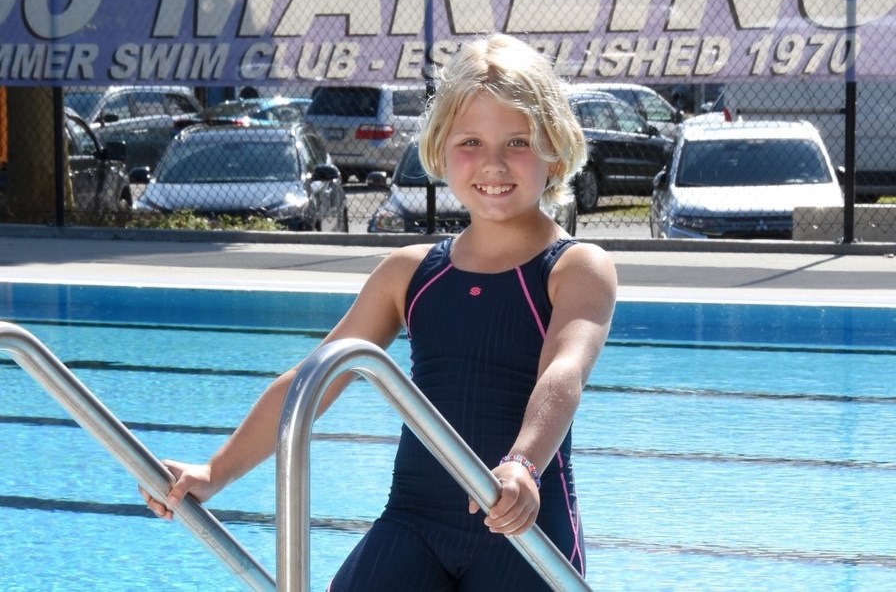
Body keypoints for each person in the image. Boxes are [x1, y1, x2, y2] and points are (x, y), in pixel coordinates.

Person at [141, 32, 617, 591]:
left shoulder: (575, 267)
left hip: (525, 521)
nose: (492, 163)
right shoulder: (410, 274)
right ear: (440, 149)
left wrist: (524, 463)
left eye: (517, 142)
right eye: (471, 142)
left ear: (555, 149)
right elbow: (311, 382)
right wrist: (213, 472)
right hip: (414, 523)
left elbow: (563, 373)